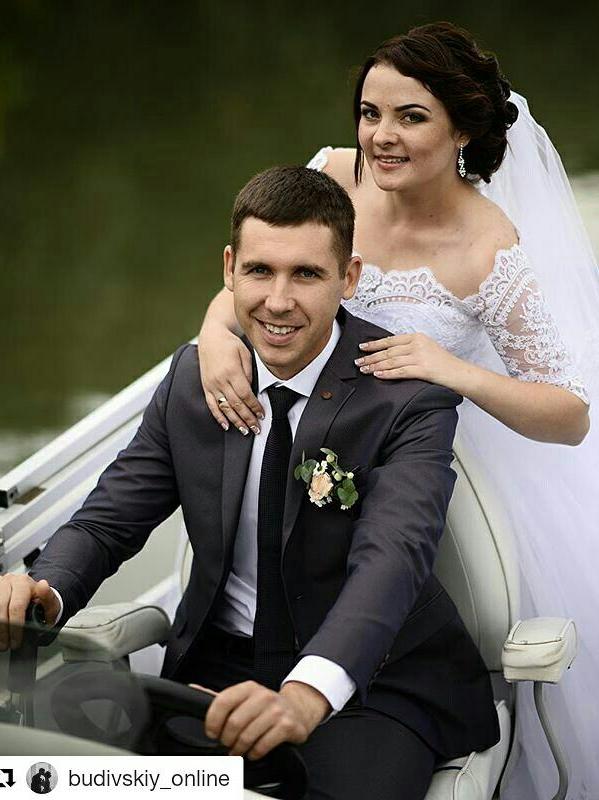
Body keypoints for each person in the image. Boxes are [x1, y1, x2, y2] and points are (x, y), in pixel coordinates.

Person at [0, 166, 499, 799]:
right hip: (217, 667)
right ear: (230, 269)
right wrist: (44, 589)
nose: (279, 301)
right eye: (261, 271)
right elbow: (108, 521)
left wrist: (305, 694)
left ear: (348, 278)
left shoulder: (408, 399)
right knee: (50, 778)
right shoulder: (193, 379)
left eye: (307, 274)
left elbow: (393, 558)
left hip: (373, 684)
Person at [195, 22, 599, 800]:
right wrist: (214, 334)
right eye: (369, 112)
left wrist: (452, 369)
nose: (380, 136)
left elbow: (568, 414)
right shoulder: (329, 175)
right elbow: (259, 281)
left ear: (462, 129)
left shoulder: (486, 248)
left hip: (418, 463)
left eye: (410, 117)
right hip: (301, 434)